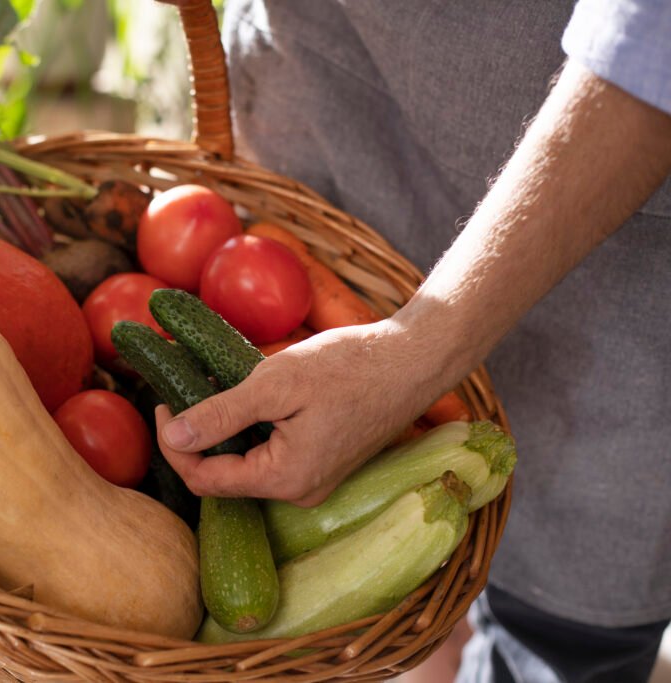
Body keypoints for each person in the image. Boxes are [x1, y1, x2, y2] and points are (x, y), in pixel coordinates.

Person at [154, 1, 671, 681]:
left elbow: (648, 53)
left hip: (599, 225)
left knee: (554, 635)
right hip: (333, 123)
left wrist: (410, 355)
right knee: (405, 613)